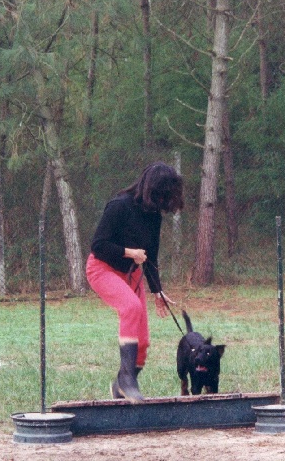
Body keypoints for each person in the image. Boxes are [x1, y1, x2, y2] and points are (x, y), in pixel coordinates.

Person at [86, 161, 184, 402]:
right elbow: (98, 245)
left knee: (143, 343)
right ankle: (128, 380)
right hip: (102, 268)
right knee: (130, 308)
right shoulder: (119, 206)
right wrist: (130, 253)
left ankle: (121, 384)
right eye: (164, 196)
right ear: (153, 190)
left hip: (133, 275)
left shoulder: (153, 217)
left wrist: (157, 291)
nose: (165, 203)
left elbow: (150, 258)